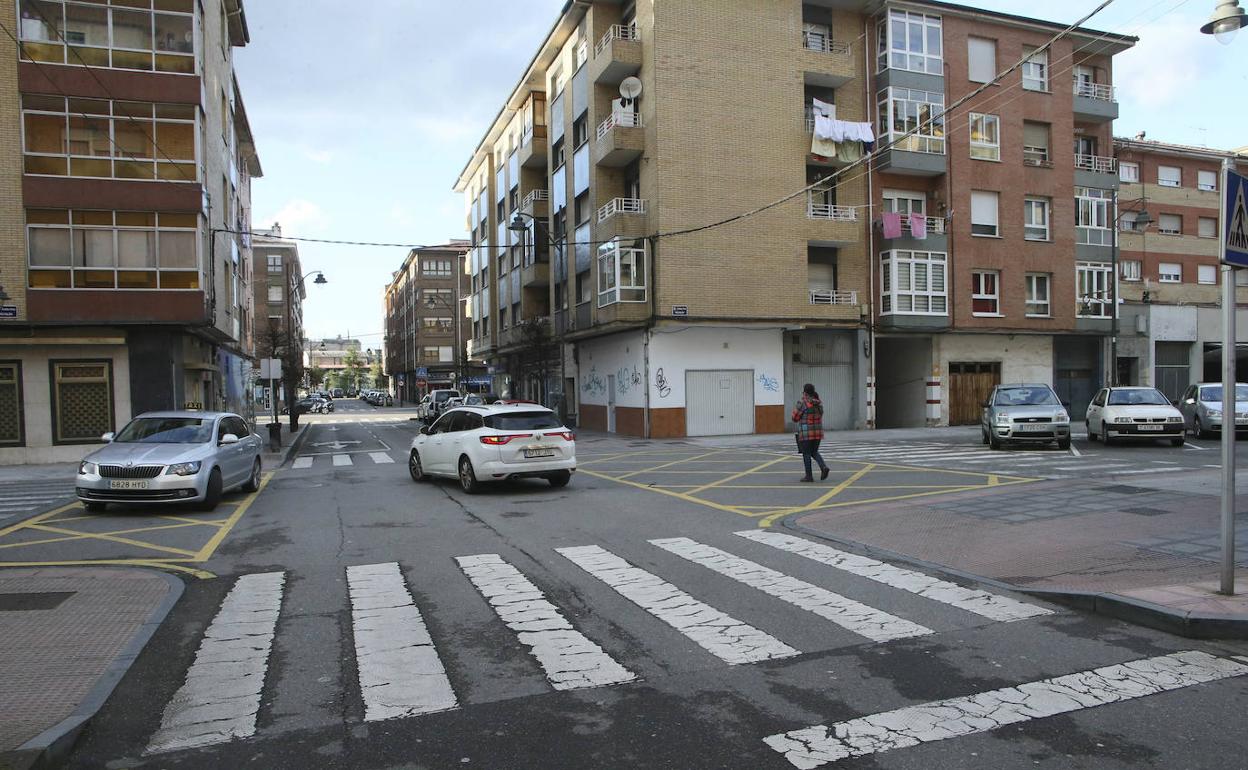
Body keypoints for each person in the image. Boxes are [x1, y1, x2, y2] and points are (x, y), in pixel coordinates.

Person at [792, 383, 829, 482]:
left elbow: (795, 418)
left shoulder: (803, 403)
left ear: (805, 392)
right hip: (818, 432)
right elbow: (821, 414)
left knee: (806, 453)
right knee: (814, 451)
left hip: (806, 433)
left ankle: (809, 476)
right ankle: (823, 467)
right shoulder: (818, 403)